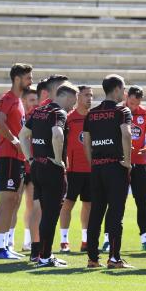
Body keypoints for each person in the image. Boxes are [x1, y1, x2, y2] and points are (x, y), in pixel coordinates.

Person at [19, 82, 78, 267]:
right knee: (51, 215)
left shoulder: (38, 111)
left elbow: (22, 135)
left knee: (45, 213)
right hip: (52, 169)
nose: (73, 106)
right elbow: (57, 134)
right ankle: (45, 257)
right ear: (66, 97)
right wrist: (58, 159)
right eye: (73, 101)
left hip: (37, 167)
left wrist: (30, 158)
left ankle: (44, 254)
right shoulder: (58, 113)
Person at [83, 75, 134, 269]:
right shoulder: (122, 111)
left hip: (97, 167)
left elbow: (86, 143)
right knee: (115, 214)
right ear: (116, 90)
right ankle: (114, 258)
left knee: (96, 212)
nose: (124, 93)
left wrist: (92, 163)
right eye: (123, 89)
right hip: (115, 166)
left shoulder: (92, 114)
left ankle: (92, 259)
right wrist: (127, 162)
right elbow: (127, 134)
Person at [0, 63, 32, 259]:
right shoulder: (8, 99)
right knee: (7, 200)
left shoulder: (17, 101)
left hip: (17, 157)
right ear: (17, 79)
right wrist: (14, 140)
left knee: (14, 200)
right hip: (8, 157)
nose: (30, 81)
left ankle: (5, 245)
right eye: (27, 78)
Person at [59, 85, 93, 252]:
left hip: (91, 169)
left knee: (88, 205)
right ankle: (64, 240)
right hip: (72, 170)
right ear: (78, 97)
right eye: (86, 95)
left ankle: (86, 240)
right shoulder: (68, 118)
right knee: (67, 204)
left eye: (91, 95)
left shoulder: (94, 118)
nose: (90, 99)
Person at [124, 85, 146, 252]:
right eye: (131, 102)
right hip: (121, 163)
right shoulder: (119, 111)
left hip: (140, 163)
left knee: (142, 203)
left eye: (136, 104)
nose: (133, 106)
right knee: (115, 202)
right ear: (126, 97)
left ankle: (145, 240)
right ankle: (108, 238)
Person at [20, 86, 38, 252]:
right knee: (14, 202)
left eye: (36, 100)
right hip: (19, 163)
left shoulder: (38, 117)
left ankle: (28, 240)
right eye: (31, 100)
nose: (35, 103)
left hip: (32, 166)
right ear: (24, 100)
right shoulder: (19, 116)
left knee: (31, 205)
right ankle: (7, 240)